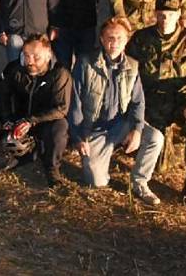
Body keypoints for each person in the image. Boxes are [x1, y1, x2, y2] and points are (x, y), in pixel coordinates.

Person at [127, 0, 186, 205]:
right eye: (161, 14)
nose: (165, 19)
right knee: (161, 166)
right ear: (155, 14)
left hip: (181, 102)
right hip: (150, 103)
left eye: (170, 15)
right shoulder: (141, 38)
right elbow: (127, 69)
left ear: (179, 15)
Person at [69, 16, 164, 205]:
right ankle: (101, 158)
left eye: (120, 38)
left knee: (155, 138)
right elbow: (75, 104)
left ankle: (139, 182)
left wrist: (136, 130)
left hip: (121, 124)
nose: (114, 43)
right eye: (110, 38)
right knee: (96, 182)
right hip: (95, 130)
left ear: (127, 40)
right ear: (102, 40)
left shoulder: (132, 66)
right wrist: (79, 137)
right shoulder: (85, 63)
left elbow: (138, 103)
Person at [0, 34, 71, 186]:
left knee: (60, 126)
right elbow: (2, 96)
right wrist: (7, 120)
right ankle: (32, 152)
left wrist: (32, 121)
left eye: (36, 57)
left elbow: (61, 108)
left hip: (45, 121)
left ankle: (52, 167)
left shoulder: (60, 73)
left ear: (48, 55)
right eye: (26, 55)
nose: (30, 61)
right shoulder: (13, 68)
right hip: (20, 120)